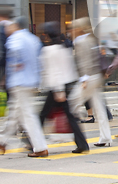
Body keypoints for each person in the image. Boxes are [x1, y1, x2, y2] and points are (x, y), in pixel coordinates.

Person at [0, 16, 49, 157]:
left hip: (19, 81)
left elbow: (14, 57)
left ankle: (40, 147)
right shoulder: (34, 39)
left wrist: (14, 68)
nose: (7, 29)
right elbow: (40, 60)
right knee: (15, 112)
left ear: (15, 26)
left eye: (9, 26)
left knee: (27, 115)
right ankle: (1, 140)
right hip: (31, 81)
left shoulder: (15, 39)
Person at [38, 22, 89, 154]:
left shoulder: (49, 50)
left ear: (47, 35)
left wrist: (58, 90)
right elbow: (69, 69)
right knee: (69, 116)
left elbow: (54, 71)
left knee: (43, 115)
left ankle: (32, 141)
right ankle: (82, 143)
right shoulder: (64, 48)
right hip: (66, 85)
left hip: (57, 88)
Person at [68, 17, 112, 148]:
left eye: (73, 27)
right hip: (97, 76)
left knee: (71, 104)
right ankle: (105, 137)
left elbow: (85, 61)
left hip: (89, 78)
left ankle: (61, 136)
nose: (71, 30)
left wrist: (84, 79)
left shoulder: (80, 41)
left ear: (79, 28)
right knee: (99, 108)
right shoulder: (92, 39)